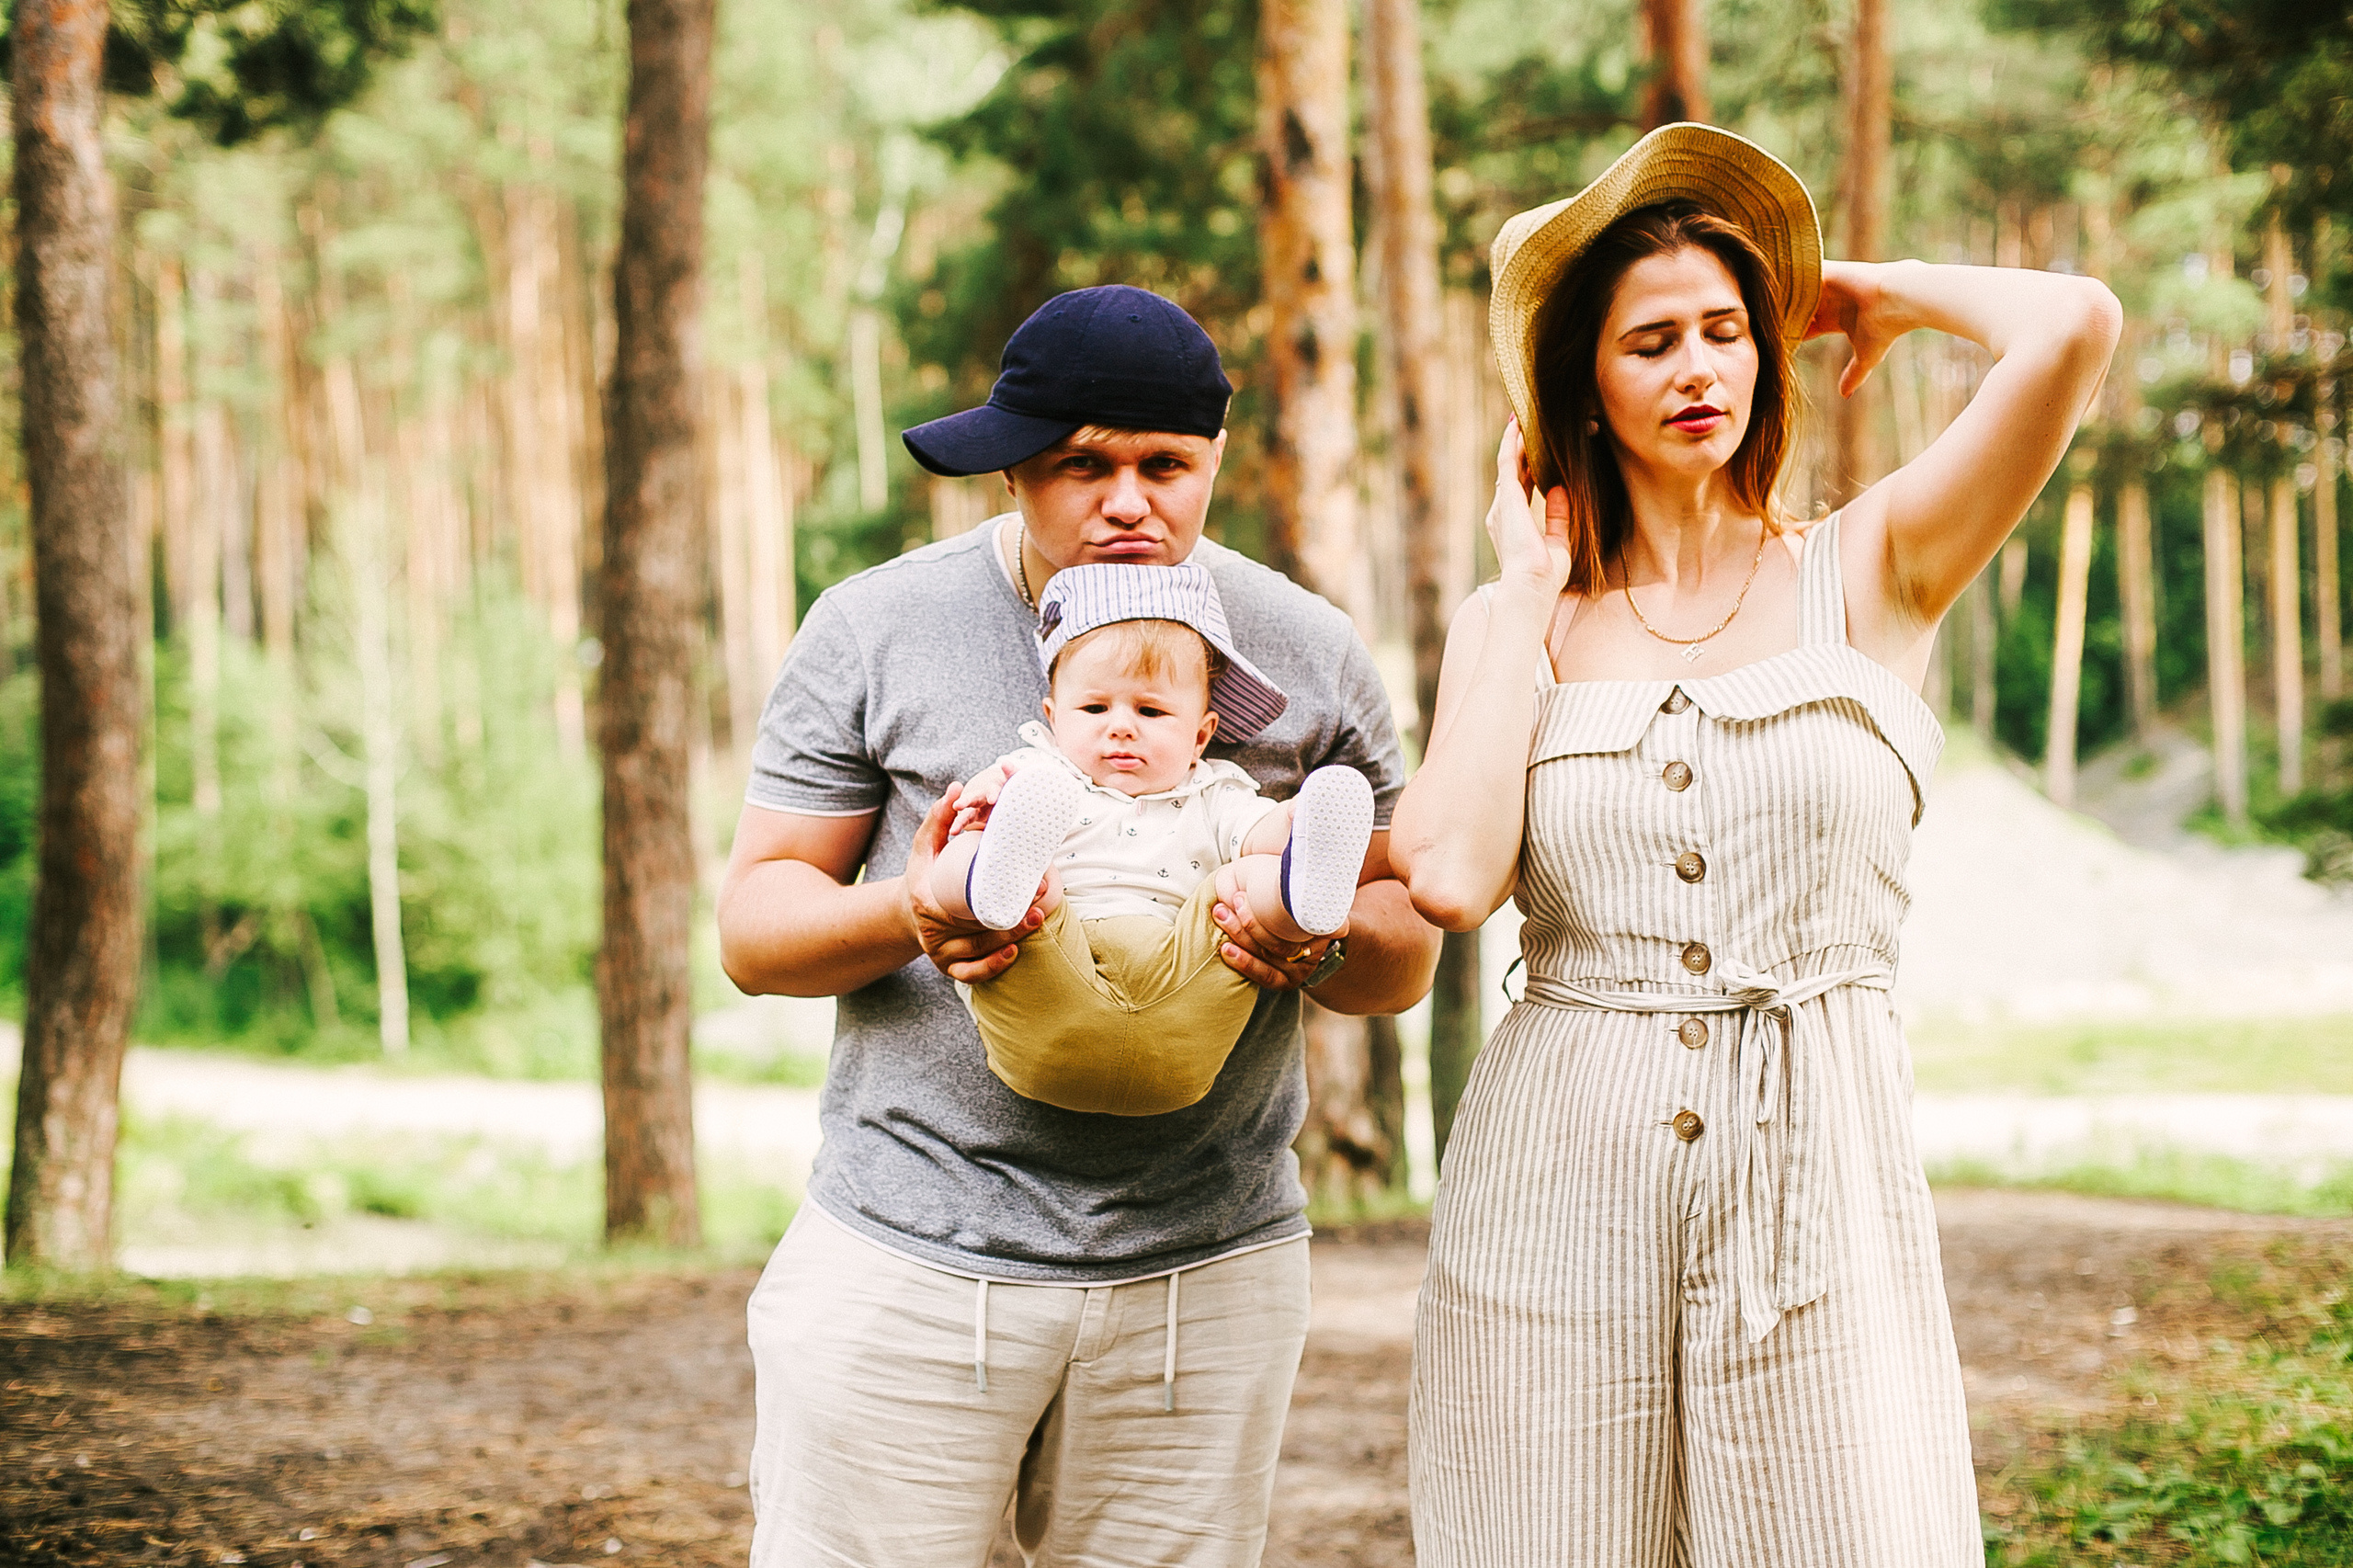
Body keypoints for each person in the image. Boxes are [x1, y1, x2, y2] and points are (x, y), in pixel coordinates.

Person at [1389, 123, 2120, 1566]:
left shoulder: (1874, 564)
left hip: (1818, 1161)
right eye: (1650, 341)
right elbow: (1455, 874)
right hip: (1558, 1174)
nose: (1700, 368)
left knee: (1842, 1524)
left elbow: (2073, 323)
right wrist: (1524, 592)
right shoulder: (1515, 616)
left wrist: (1851, 287)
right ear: (1582, 388)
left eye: (1728, 331)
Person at [719, 282, 1438, 1568]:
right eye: (1079, 466)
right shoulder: (879, 625)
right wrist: (915, 911)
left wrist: (1311, 939)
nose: (1127, 501)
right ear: (1010, 474)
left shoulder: (1305, 649)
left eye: (1166, 465)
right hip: (910, 1253)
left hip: (1203, 1272)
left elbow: (1402, 957)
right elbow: (758, 926)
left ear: (1217, 460)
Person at [932, 560, 1377, 1118]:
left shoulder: (1215, 793)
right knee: (986, 851)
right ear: (1052, 716)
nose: (1121, 726)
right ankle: (983, 884)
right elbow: (983, 806)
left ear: (1201, 735)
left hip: (1184, 991)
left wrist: (1293, 824)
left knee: (1243, 884)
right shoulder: (1038, 775)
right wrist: (985, 804)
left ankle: (1304, 892)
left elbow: (1255, 833)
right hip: (1044, 960)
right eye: (1094, 708)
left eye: (1151, 710)